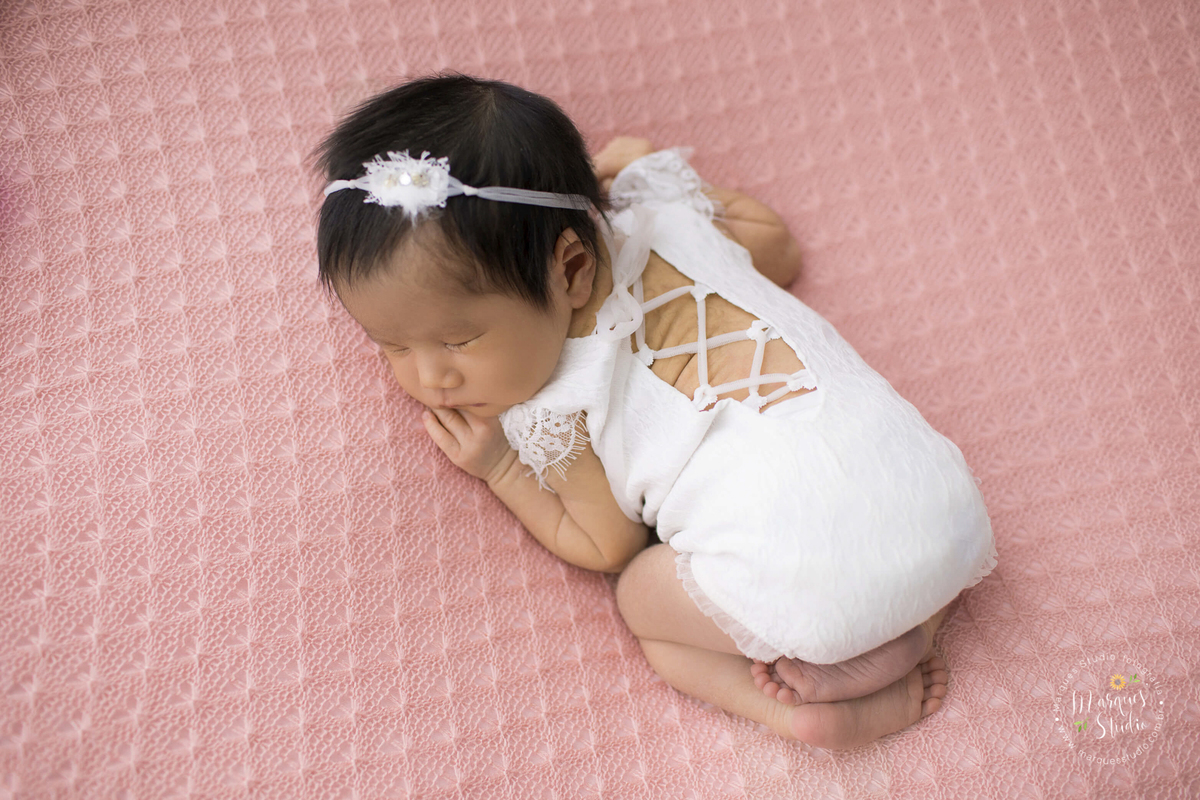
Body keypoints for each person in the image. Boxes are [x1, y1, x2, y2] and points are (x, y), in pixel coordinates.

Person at [313, 73, 998, 749]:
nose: (429, 377)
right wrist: (641, 177)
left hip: (801, 587)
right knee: (889, 546)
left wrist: (502, 469)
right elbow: (778, 249)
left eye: (459, 340)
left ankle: (796, 711)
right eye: (389, 346)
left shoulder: (553, 406)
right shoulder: (669, 220)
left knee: (640, 595)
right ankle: (913, 627)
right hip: (943, 507)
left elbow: (603, 544)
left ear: (574, 269)